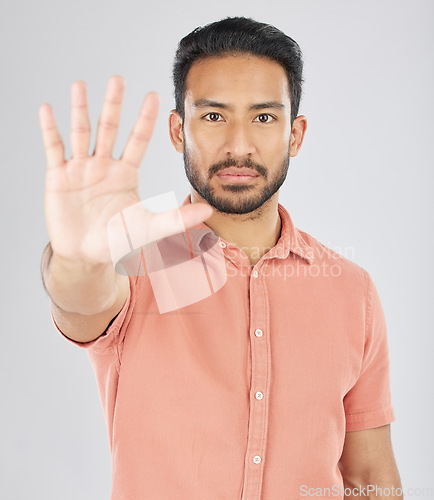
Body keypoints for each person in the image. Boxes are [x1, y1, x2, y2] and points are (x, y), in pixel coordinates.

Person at [40, 16, 403, 500]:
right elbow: (80, 299)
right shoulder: (135, 261)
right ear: (177, 130)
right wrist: (78, 258)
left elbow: (369, 479)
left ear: (295, 134)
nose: (239, 144)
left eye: (263, 117)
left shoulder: (351, 289)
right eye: (213, 116)